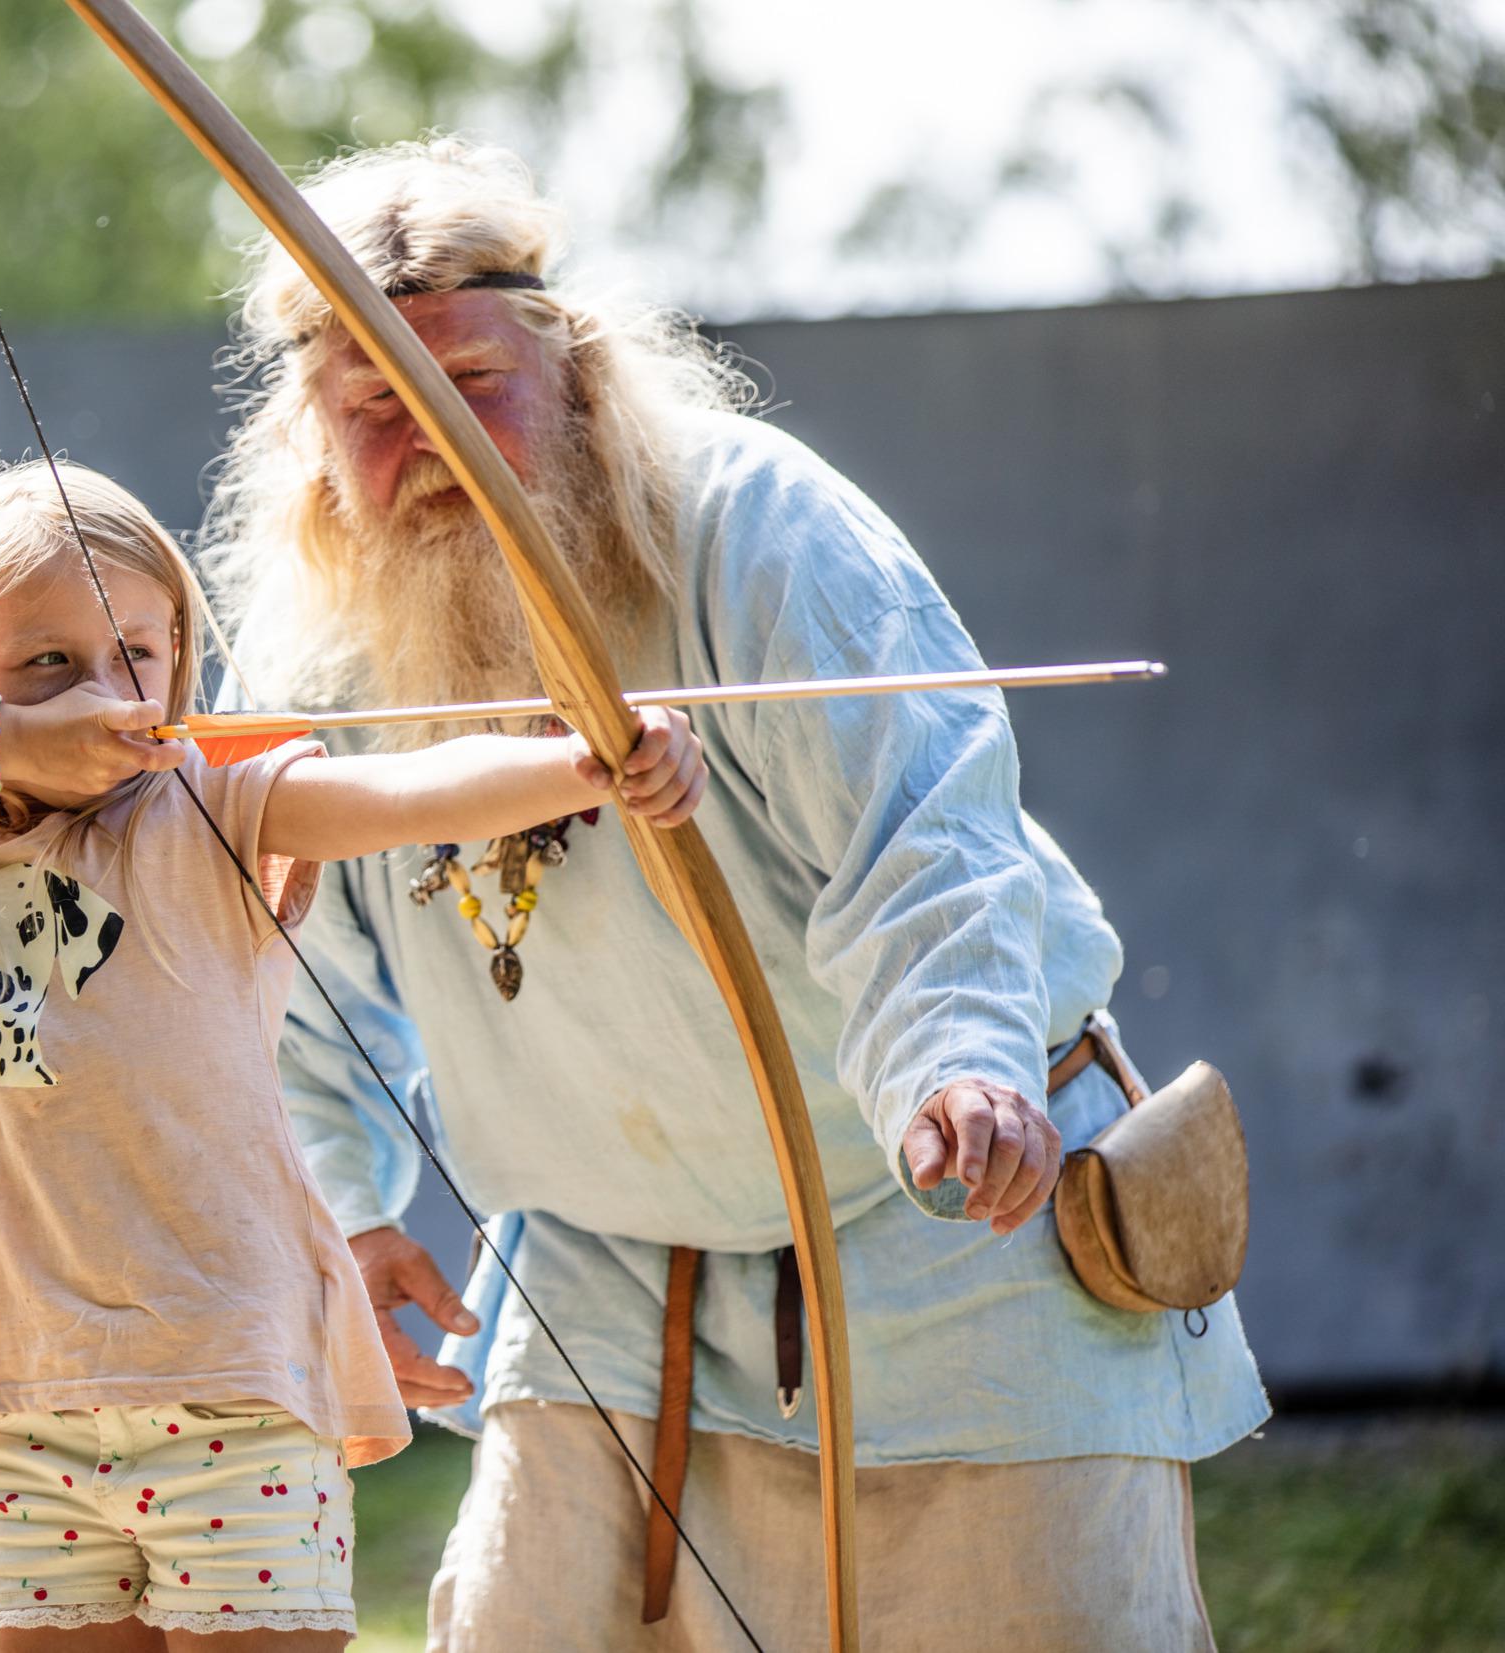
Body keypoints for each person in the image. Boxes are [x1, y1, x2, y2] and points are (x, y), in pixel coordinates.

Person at [202, 139, 1270, 1652]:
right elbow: (277, 968)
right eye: (371, 407)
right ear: (311, 437)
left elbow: (926, 825)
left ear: (572, 369)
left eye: (464, 384)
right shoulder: (319, 636)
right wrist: (346, 1214)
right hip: (610, 1263)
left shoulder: (748, 524)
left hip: (949, 1217)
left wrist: (958, 1062)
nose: (423, 437)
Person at [0, 461, 706, 1649]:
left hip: (230, 1394)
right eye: (47, 661)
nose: (102, 693)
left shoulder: (217, 807)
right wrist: (0, 743)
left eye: (136, 653)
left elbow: (398, 792)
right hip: (41, 1403)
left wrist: (582, 764)